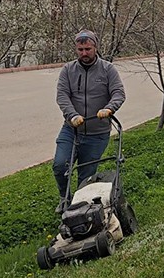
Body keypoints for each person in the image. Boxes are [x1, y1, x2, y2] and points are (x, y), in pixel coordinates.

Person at [53, 30, 126, 214]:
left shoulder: (108, 70)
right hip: (71, 130)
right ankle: (64, 198)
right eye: (80, 50)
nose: (84, 53)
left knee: (86, 175)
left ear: (95, 47)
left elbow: (118, 93)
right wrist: (72, 115)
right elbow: (62, 96)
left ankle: (78, 210)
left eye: (88, 49)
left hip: (97, 133)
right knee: (60, 165)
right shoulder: (68, 70)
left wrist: (109, 108)